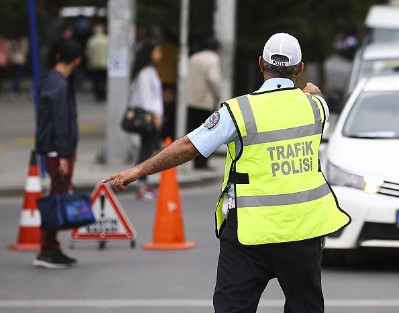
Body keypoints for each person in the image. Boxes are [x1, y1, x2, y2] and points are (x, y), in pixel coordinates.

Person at [104, 33, 351, 312]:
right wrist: (311, 92)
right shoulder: (317, 107)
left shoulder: (239, 111)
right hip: (303, 231)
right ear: (300, 68)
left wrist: (137, 171)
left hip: (249, 233)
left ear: (261, 64)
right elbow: (315, 96)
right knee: (305, 307)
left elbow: (188, 146)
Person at [34, 39, 82, 269]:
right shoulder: (60, 85)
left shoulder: (50, 80)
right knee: (56, 197)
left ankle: (51, 247)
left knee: (56, 195)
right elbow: (60, 122)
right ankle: (48, 250)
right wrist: (64, 155)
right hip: (58, 151)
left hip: (53, 149)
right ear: (76, 60)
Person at [129, 40, 164, 200]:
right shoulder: (145, 73)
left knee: (147, 149)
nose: (160, 55)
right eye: (157, 51)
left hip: (152, 116)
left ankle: (143, 182)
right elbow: (146, 98)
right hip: (149, 117)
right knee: (146, 150)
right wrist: (155, 116)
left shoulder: (150, 71)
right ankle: (141, 184)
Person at [186, 37, 221, 170]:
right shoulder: (213, 59)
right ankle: (202, 163)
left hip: (191, 100)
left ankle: (195, 161)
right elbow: (213, 79)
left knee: (194, 133)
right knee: (207, 133)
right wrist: (217, 95)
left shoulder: (193, 57)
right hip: (205, 101)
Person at [85, 23, 108, 102]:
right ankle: (103, 94)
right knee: (104, 80)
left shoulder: (91, 40)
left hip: (95, 64)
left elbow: (88, 53)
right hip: (105, 64)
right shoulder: (107, 40)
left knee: (96, 80)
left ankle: (98, 94)